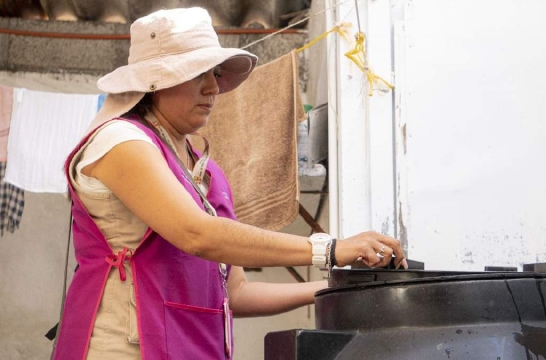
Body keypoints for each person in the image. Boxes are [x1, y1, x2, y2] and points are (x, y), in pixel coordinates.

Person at [52, 7, 407, 360]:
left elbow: (236, 294)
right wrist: (328, 250)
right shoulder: (120, 141)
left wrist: (340, 288)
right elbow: (198, 235)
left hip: (194, 348)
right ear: (154, 81)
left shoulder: (207, 172)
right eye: (196, 74)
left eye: (215, 73)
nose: (213, 87)